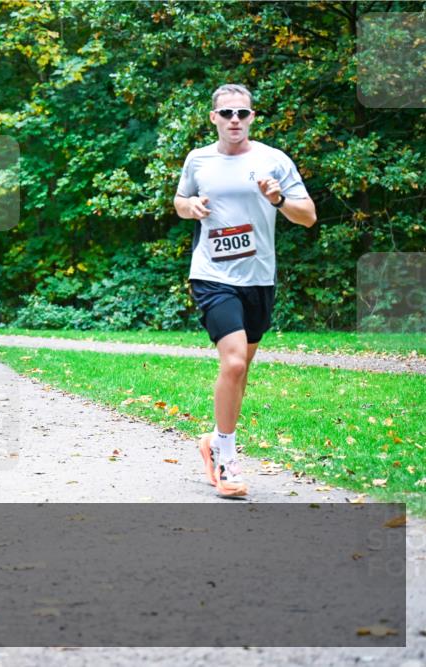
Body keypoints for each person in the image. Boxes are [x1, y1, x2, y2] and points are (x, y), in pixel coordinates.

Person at [173, 83, 316, 498]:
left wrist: (277, 200)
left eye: (243, 113)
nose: (235, 120)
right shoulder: (198, 160)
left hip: (258, 278)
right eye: (227, 113)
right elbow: (180, 202)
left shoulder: (274, 160)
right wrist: (192, 207)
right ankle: (228, 460)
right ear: (213, 119)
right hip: (212, 275)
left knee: (242, 368)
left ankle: (213, 439)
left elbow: (307, 216)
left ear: (252, 118)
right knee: (233, 363)